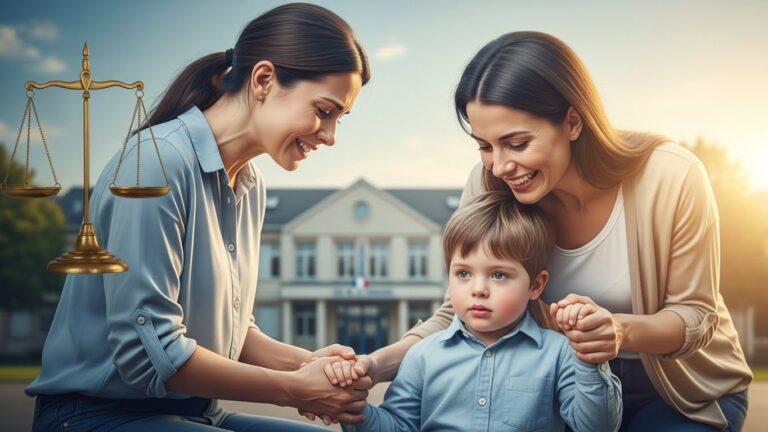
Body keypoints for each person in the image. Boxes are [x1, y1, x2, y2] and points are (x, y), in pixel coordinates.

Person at [332, 31, 751, 431]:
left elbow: (696, 315)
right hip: (561, 386)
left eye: (516, 143)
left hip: (679, 391)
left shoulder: (670, 176)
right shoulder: (489, 183)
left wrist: (619, 331)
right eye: (484, 145)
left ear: (572, 121)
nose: (499, 165)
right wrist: (374, 365)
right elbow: (455, 312)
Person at [26, 3, 372, 431]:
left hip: (197, 412)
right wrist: (296, 388)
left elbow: (230, 329)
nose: (330, 136)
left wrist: (312, 365)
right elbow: (149, 352)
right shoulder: (155, 165)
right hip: (96, 416)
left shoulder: (250, 185)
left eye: (340, 118)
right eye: (323, 110)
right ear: (263, 79)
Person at [327, 191, 622, 432]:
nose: (478, 289)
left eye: (498, 275)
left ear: (535, 285)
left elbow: (597, 427)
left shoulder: (560, 354)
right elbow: (398, 427)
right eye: (464, 274)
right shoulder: (422, 356)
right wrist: (353, 408)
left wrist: (588, 357)